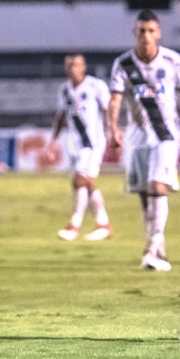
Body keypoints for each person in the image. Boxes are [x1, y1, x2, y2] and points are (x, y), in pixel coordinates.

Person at [108, 10, 180, 272]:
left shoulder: (171, 60)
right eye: (141, 31)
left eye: (151, 31)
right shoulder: (123, 63)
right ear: (134, 33)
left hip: (165, 134)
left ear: (158, 33)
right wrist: (112, 129)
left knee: (157, 186)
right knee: (145, 195)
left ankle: (151, 248)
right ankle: (158, 248)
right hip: (137, 136)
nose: (146, 36)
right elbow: (114, 99)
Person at [49, 54, 113, 241]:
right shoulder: (64, 90)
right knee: (87, 183)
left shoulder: (96, 86)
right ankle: (103, 224)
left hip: (93, 143)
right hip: (74, 144)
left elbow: (108, 109)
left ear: (83, 67)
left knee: (79, 180)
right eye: (69, 65)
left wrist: (113, 131)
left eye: (76, 64)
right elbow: (61, 116)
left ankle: (74, 226)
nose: (72, 68)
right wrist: (53, 141)